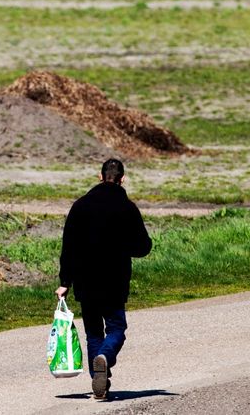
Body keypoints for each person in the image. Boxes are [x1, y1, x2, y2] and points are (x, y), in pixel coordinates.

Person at [55, 158, 152, 401]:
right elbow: (143, 247)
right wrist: (123, 246)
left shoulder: (80, 206)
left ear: (99, 177)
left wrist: (65, 281)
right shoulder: (128, 208)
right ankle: (105, 359)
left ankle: (100, 384)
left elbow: (69, 247)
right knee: (117, 328)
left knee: (94, 334)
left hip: (85, 281)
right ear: (122, 179)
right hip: (115, 280)